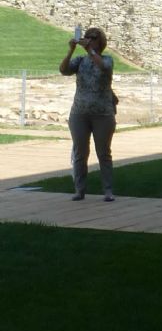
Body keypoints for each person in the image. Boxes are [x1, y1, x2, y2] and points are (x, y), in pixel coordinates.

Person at [59, 24, 117, 202]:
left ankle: (108, 191)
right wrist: (71, 50)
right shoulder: (80, 61)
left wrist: (90, 51)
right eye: (88, 37)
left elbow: (103, 67)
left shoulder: (107, 59)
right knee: (80, 152)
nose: (90, 39)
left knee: (103, 152)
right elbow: (63, 70)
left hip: (103, 113)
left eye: (94, 37)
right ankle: (79, 190)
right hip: (79, 113)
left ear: (100, 42)